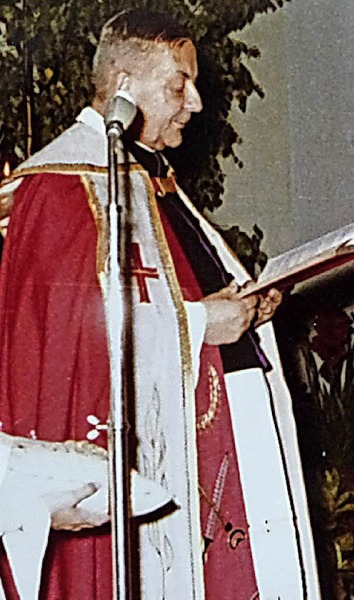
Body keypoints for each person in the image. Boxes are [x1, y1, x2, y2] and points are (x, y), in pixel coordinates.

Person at [0, 9, 320, 599]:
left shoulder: (151, 175)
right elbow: (68, 336)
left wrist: (244, 304)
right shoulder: (61, 184)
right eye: (180, 84)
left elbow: (173, 288)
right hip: (138, 457)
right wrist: (200, 322)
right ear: (125, 83)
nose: (195, 102)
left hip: (218, 437)